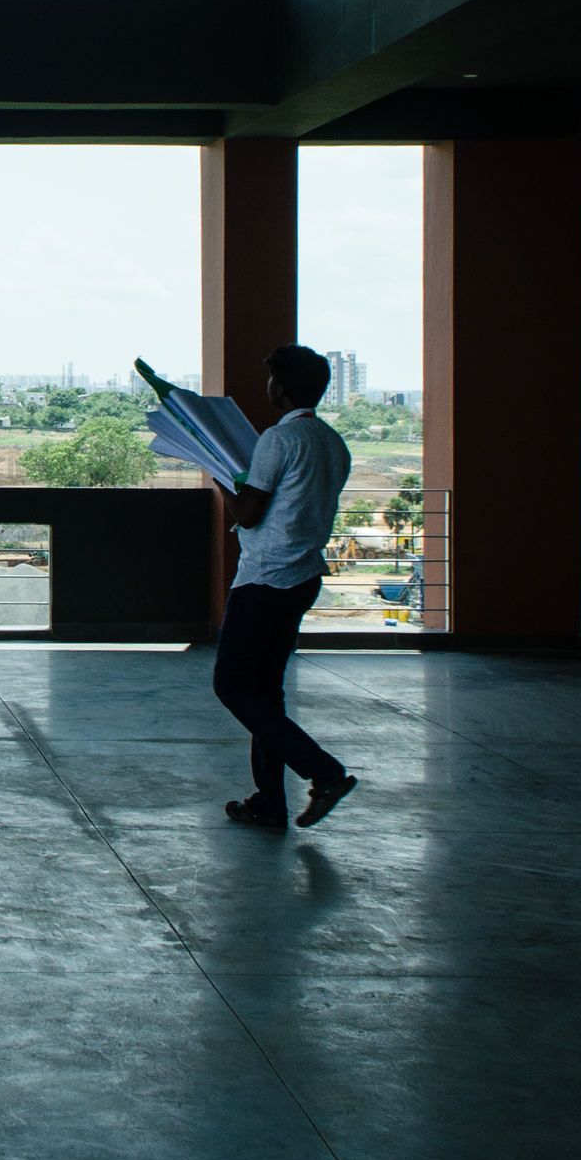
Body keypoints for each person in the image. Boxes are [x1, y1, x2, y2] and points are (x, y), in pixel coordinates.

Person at [212, 344, 356, 832]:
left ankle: (325, 771)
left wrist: (219, 475)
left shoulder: (279, 438)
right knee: (266, 694)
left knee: (232, 686)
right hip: (303, 577)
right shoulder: (333, 442)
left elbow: (249, 511)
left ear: (284, 386)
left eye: (271, 377)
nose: (267, 385)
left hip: (265, 577)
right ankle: (270, 803)